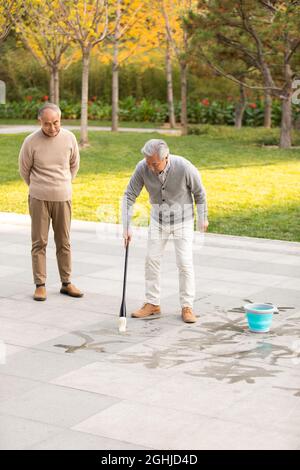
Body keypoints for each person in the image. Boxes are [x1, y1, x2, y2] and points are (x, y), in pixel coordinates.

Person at [122, 139, 208, 323]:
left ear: (166, 157)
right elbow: (129, 195)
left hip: (182, 220)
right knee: (151, 260)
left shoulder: (184, 167)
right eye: (148, 162)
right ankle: (152, 303)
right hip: (158, 220)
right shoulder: (142, 167)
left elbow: (200, 193)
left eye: (154, 163)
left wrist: (203, 217)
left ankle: (187, 306)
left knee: (184, 263)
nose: (150, 167)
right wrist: (126, 226)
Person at [19, 103, 83, 301]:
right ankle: (40, 284)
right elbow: (24, 170)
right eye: (47, 124)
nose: (52, 128)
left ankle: (66, 282)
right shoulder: (31, 141)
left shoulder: (69, 138)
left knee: (64, 242)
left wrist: (63, 183)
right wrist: (39, 187)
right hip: (39, 198)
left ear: (60, 120)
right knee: (39, 242)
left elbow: (74, 165)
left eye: (56, 123)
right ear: (40, 121)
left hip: (63, 197)